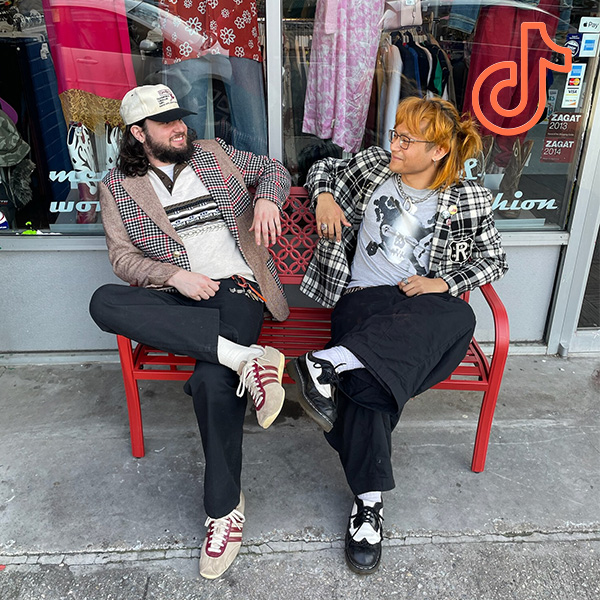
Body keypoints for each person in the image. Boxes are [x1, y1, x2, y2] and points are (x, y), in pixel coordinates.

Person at [287, 96, 508, 575]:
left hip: (421, 306)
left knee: (460, 319)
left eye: (408, 139)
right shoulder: (372, 168)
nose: (395, 144)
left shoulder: (468, 198)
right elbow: (323, 168)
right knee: (373, 381)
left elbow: (494, 260)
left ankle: (327, 363)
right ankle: (369, 507)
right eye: (396, 134)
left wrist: (442, 283)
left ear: (438, 152)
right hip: (364, 299)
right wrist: (324, 195)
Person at [89, 84, 291, 579]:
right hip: (175, 294)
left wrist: (267, 199)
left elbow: (274, 169)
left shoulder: (213, 153)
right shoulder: (118, 187)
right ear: (138, 134)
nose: (181, 127)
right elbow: (122, 259)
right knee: (103, 301)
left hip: (238, 288)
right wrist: (174, 276)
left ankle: (223, 512)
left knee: (209, 382)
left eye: (181, 118)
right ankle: (244, 358)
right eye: (167, 123)